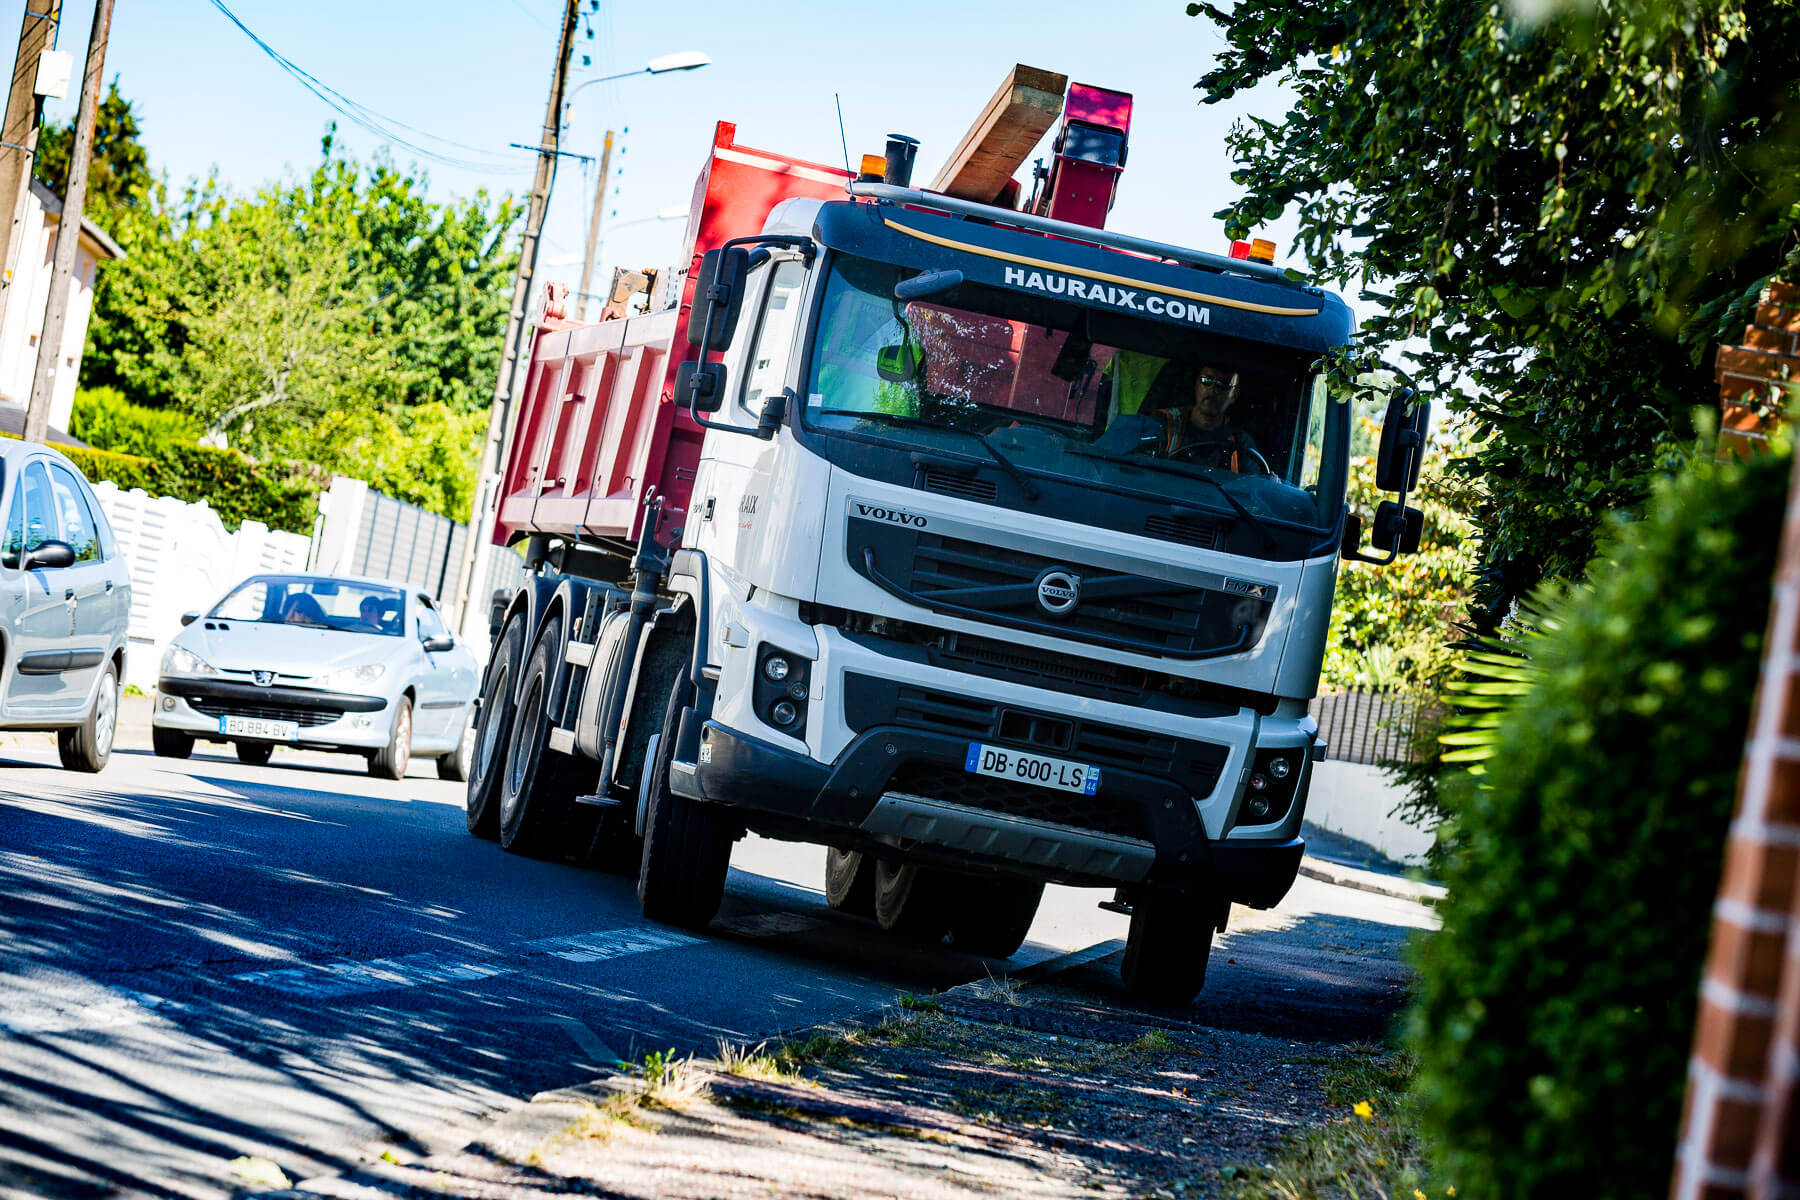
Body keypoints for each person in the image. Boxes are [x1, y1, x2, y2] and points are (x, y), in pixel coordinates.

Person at [1145, 362, 1262, 472]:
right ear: (1196, 384)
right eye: (1206, 380)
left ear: (1234, 395)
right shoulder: (1163, 423)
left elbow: (1252, 486)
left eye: (1224, 384)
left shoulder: (1241, 444)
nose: (1213, 389)